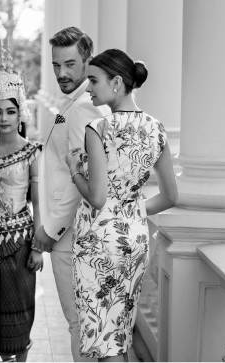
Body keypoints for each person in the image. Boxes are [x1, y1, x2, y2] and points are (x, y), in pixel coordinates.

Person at [65, 48, 178, 362]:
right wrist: (133, 208)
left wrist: (74, 169)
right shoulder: (157, 129)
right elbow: (171, 196)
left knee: (105, 341)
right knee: (119, 334)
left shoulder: (98, 129)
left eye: (93, 80)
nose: (88, 88)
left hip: (99, 244)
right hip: (135, 239)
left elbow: (98, 197)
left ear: (116, 82)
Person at [33, 27, 106, 363]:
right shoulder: (71, 104)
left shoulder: (82, 109)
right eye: (56, 65)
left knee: (78, 323)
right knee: (83, 322)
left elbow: (83, 179)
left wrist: (51, 229)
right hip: (72, 233)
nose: (61, 73)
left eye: (70, 64)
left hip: (71, 236)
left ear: (87, 61)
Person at [0, 40, 43, 363]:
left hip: (20, 244)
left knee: (20, 311)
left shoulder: (32, 152)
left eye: (11, 111)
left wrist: (38, 246)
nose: (4, 118)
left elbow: (38, 202)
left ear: (21, 112)